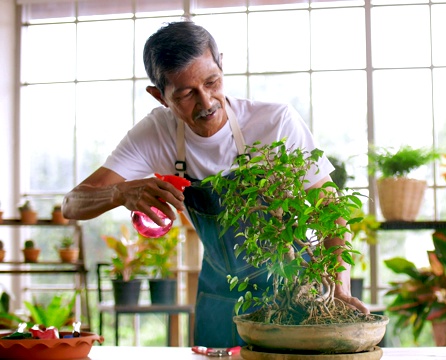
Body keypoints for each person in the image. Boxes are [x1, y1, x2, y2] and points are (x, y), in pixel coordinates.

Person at [62, 20, 368, 347]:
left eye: (212, 82)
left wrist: (340, 288)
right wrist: (121, 192)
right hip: (220, 295)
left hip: (292, 290)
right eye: (185, 94)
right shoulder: (154, 135)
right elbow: (72, 204)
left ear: (221, 64)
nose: (206, 101)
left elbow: (330, 206)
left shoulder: (275, 123)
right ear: (159, 96)